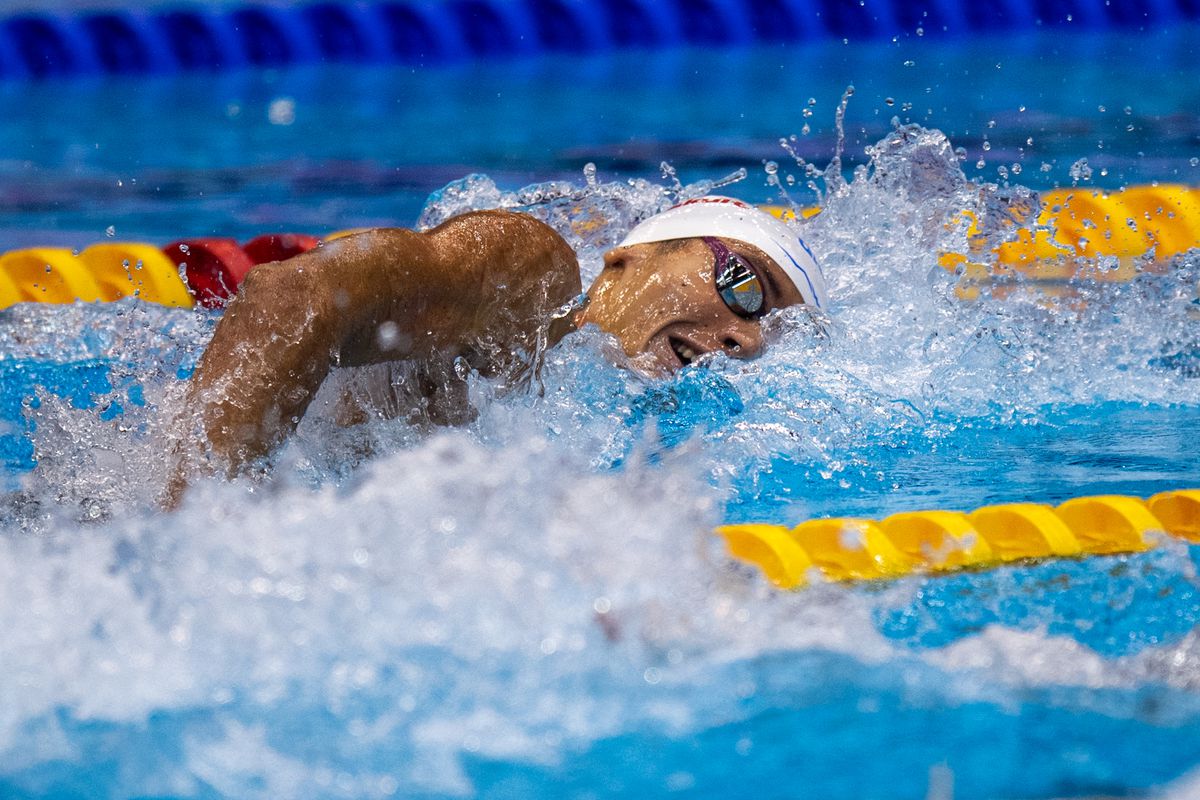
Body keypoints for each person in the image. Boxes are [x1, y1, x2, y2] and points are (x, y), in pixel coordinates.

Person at [171, 196, 826, 494]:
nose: (747, 338)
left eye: (768, 332)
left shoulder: (616, 432)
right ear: (632, 255)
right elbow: (288, 299)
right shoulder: (525, 278)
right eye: (744, 285)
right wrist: (195, 523)